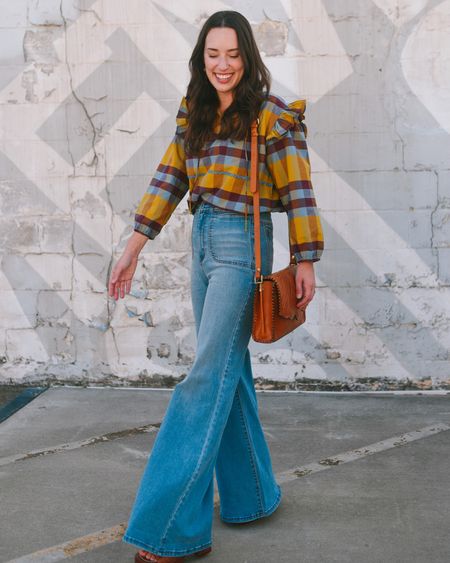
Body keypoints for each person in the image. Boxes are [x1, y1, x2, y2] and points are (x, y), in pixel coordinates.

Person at [108, 10, 324, 563]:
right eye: (212, 55)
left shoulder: (273, 116)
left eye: (231, 54)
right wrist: (135, 243)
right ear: (201, 58)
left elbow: (298, 190)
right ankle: (254, 495)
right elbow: (172, 173)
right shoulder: (195, 109)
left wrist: (306, 259)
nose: (222, 65)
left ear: (247, 57)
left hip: (243, 245)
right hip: (202, 241)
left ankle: (171, 531)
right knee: (230, 369)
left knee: (204, 379)